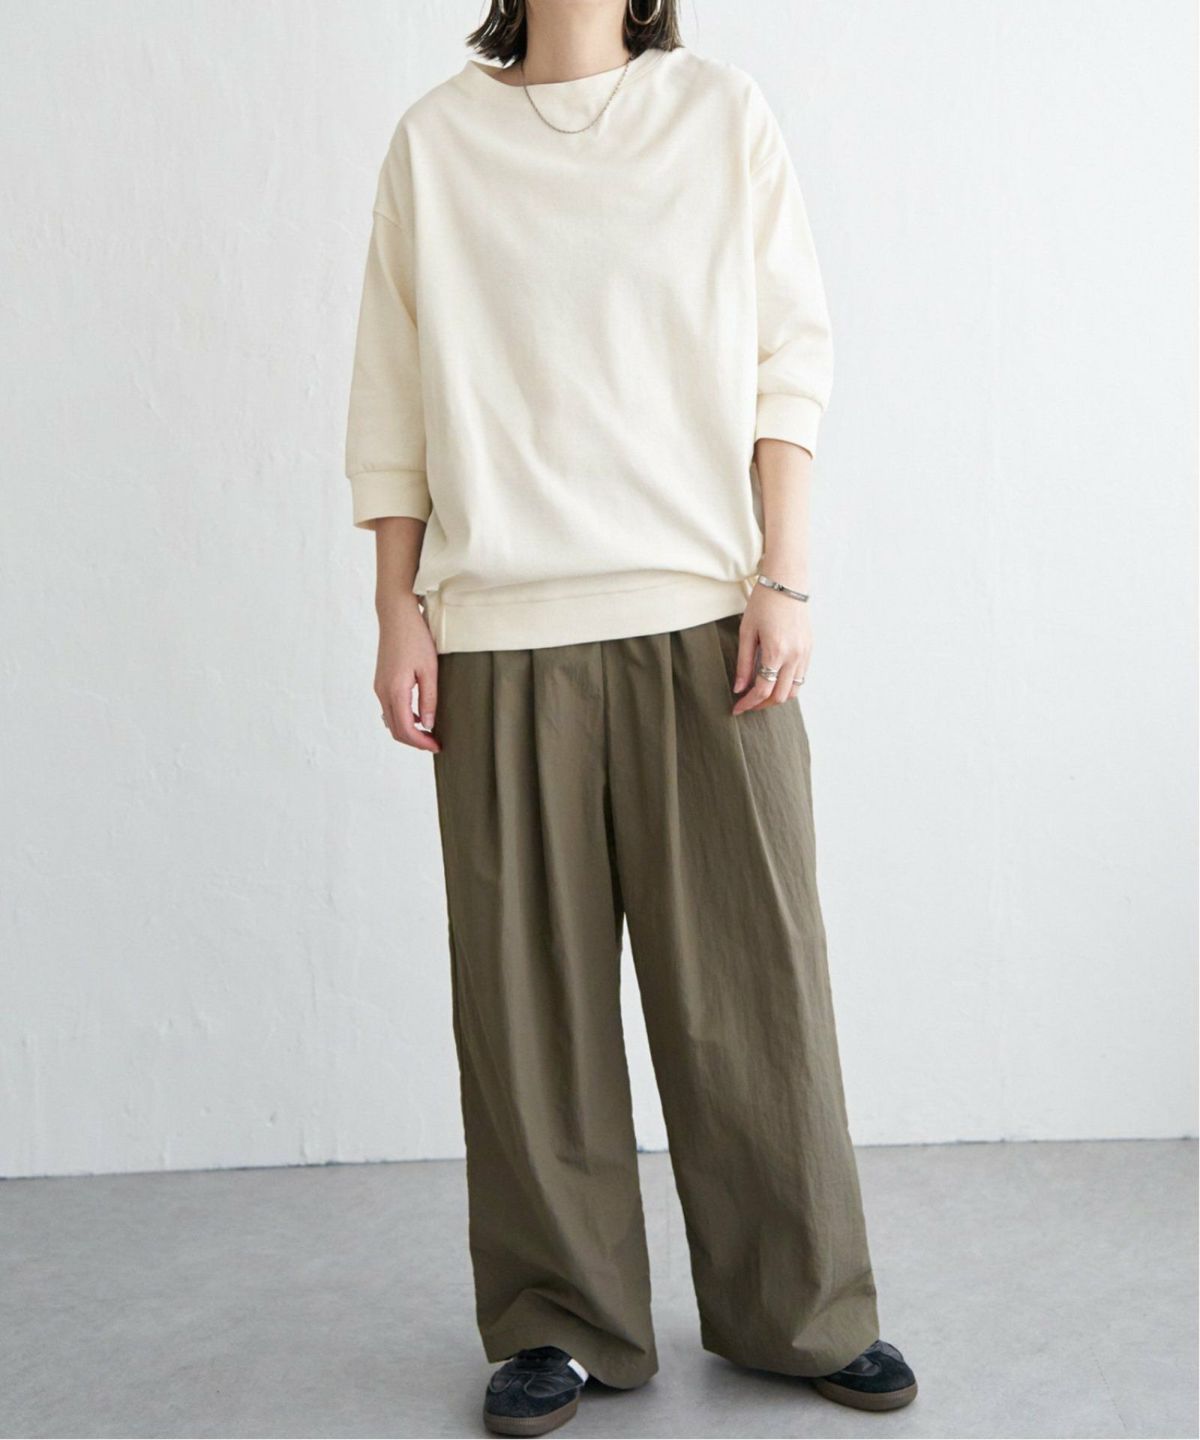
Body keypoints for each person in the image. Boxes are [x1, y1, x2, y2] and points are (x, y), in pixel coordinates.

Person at [344, 0, 917, 1432]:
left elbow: (790, 355)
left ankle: (799, 1308)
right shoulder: (436, 144)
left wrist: (785, 575)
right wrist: (396, 607)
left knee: (754, 989)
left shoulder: (719, 115)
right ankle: (560, 1318)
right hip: (502, 630)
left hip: (704, 620)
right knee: (524, 1007)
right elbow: (393, 397)